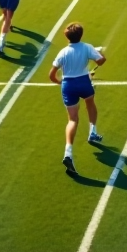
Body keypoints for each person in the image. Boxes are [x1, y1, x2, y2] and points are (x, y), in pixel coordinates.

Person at [49, 22, 106, 176]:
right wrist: (98, 52)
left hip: (68, 85)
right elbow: (101, 61)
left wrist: (61, 82)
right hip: (83, 82)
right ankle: (92, 131)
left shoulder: (62, 52)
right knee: (90, 104)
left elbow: (51, 75)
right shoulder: (87, 47)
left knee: (72, 120)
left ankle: (68, 152)